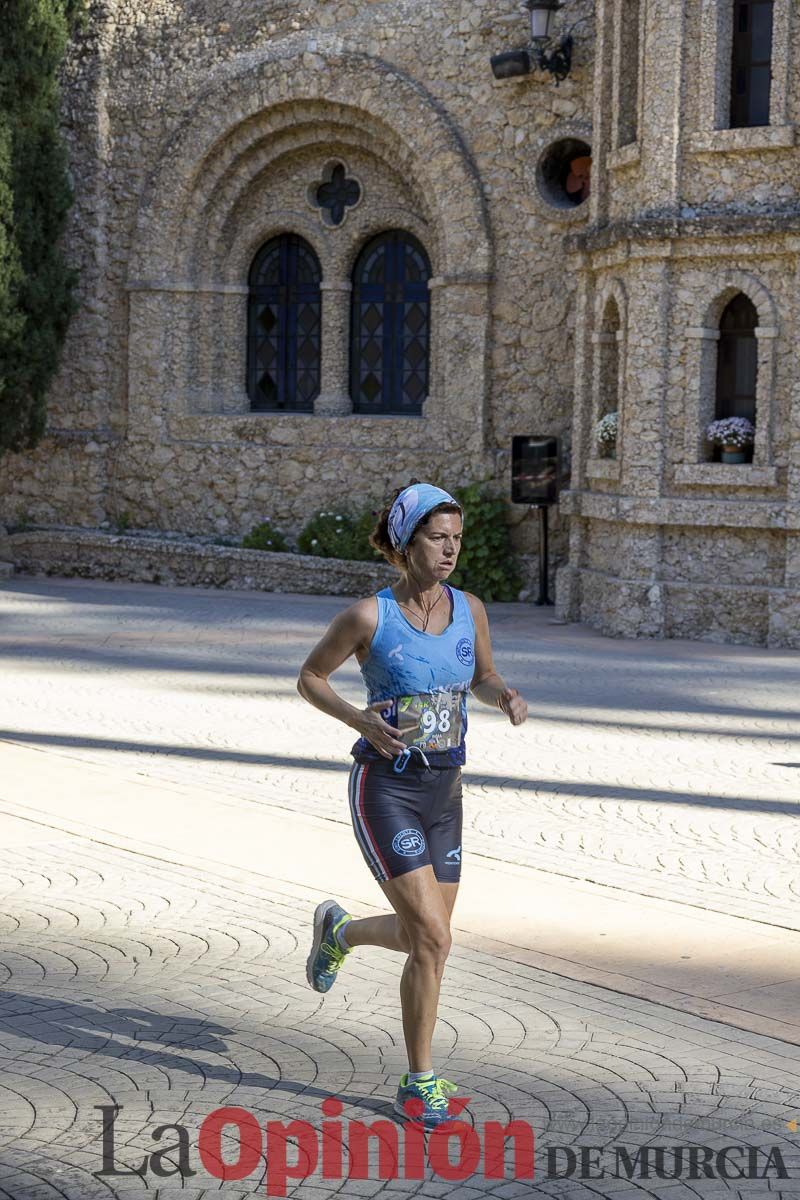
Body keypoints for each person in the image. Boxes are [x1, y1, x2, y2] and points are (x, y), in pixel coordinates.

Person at [296, 481, 528, 1127]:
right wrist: (358, 720)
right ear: (406, 542)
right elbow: (309, 678)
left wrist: (503, 693)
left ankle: (339, 932)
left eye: (457, 538)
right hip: (386, 788)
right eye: (437, 537)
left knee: (427, 939)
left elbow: (482, 676)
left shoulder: (470, 608)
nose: (450, 549)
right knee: (433, 935)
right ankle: (417, 1081)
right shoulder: (369, 617)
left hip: (444, 791)